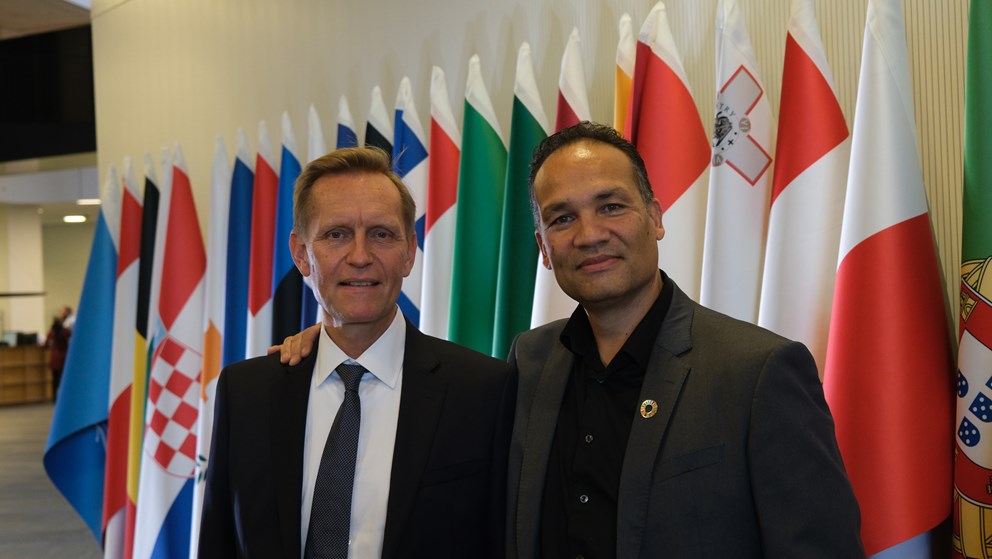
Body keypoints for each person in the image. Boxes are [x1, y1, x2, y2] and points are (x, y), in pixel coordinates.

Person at [277, 123, 864, 558]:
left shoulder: (759, 373)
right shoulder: (527, 365)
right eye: (561, 218)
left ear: (656, 217)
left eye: (611, 206)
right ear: (541, 245)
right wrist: (333, 344)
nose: (589, 235)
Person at [199, 146, 515, 559]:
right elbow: (219, 543)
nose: (361, 257)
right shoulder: (246, 392)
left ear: (409, 252)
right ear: (301, 254)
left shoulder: (484, 390)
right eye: (336, 234)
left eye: (381, 234)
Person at [45, 314, 70, 401]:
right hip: (64, 358)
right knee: (64, 378)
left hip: (55, 358)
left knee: (55, 379)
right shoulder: (66, 331)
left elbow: (46, 345)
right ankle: (63, 397)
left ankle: (54, 397)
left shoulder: (51, 333)